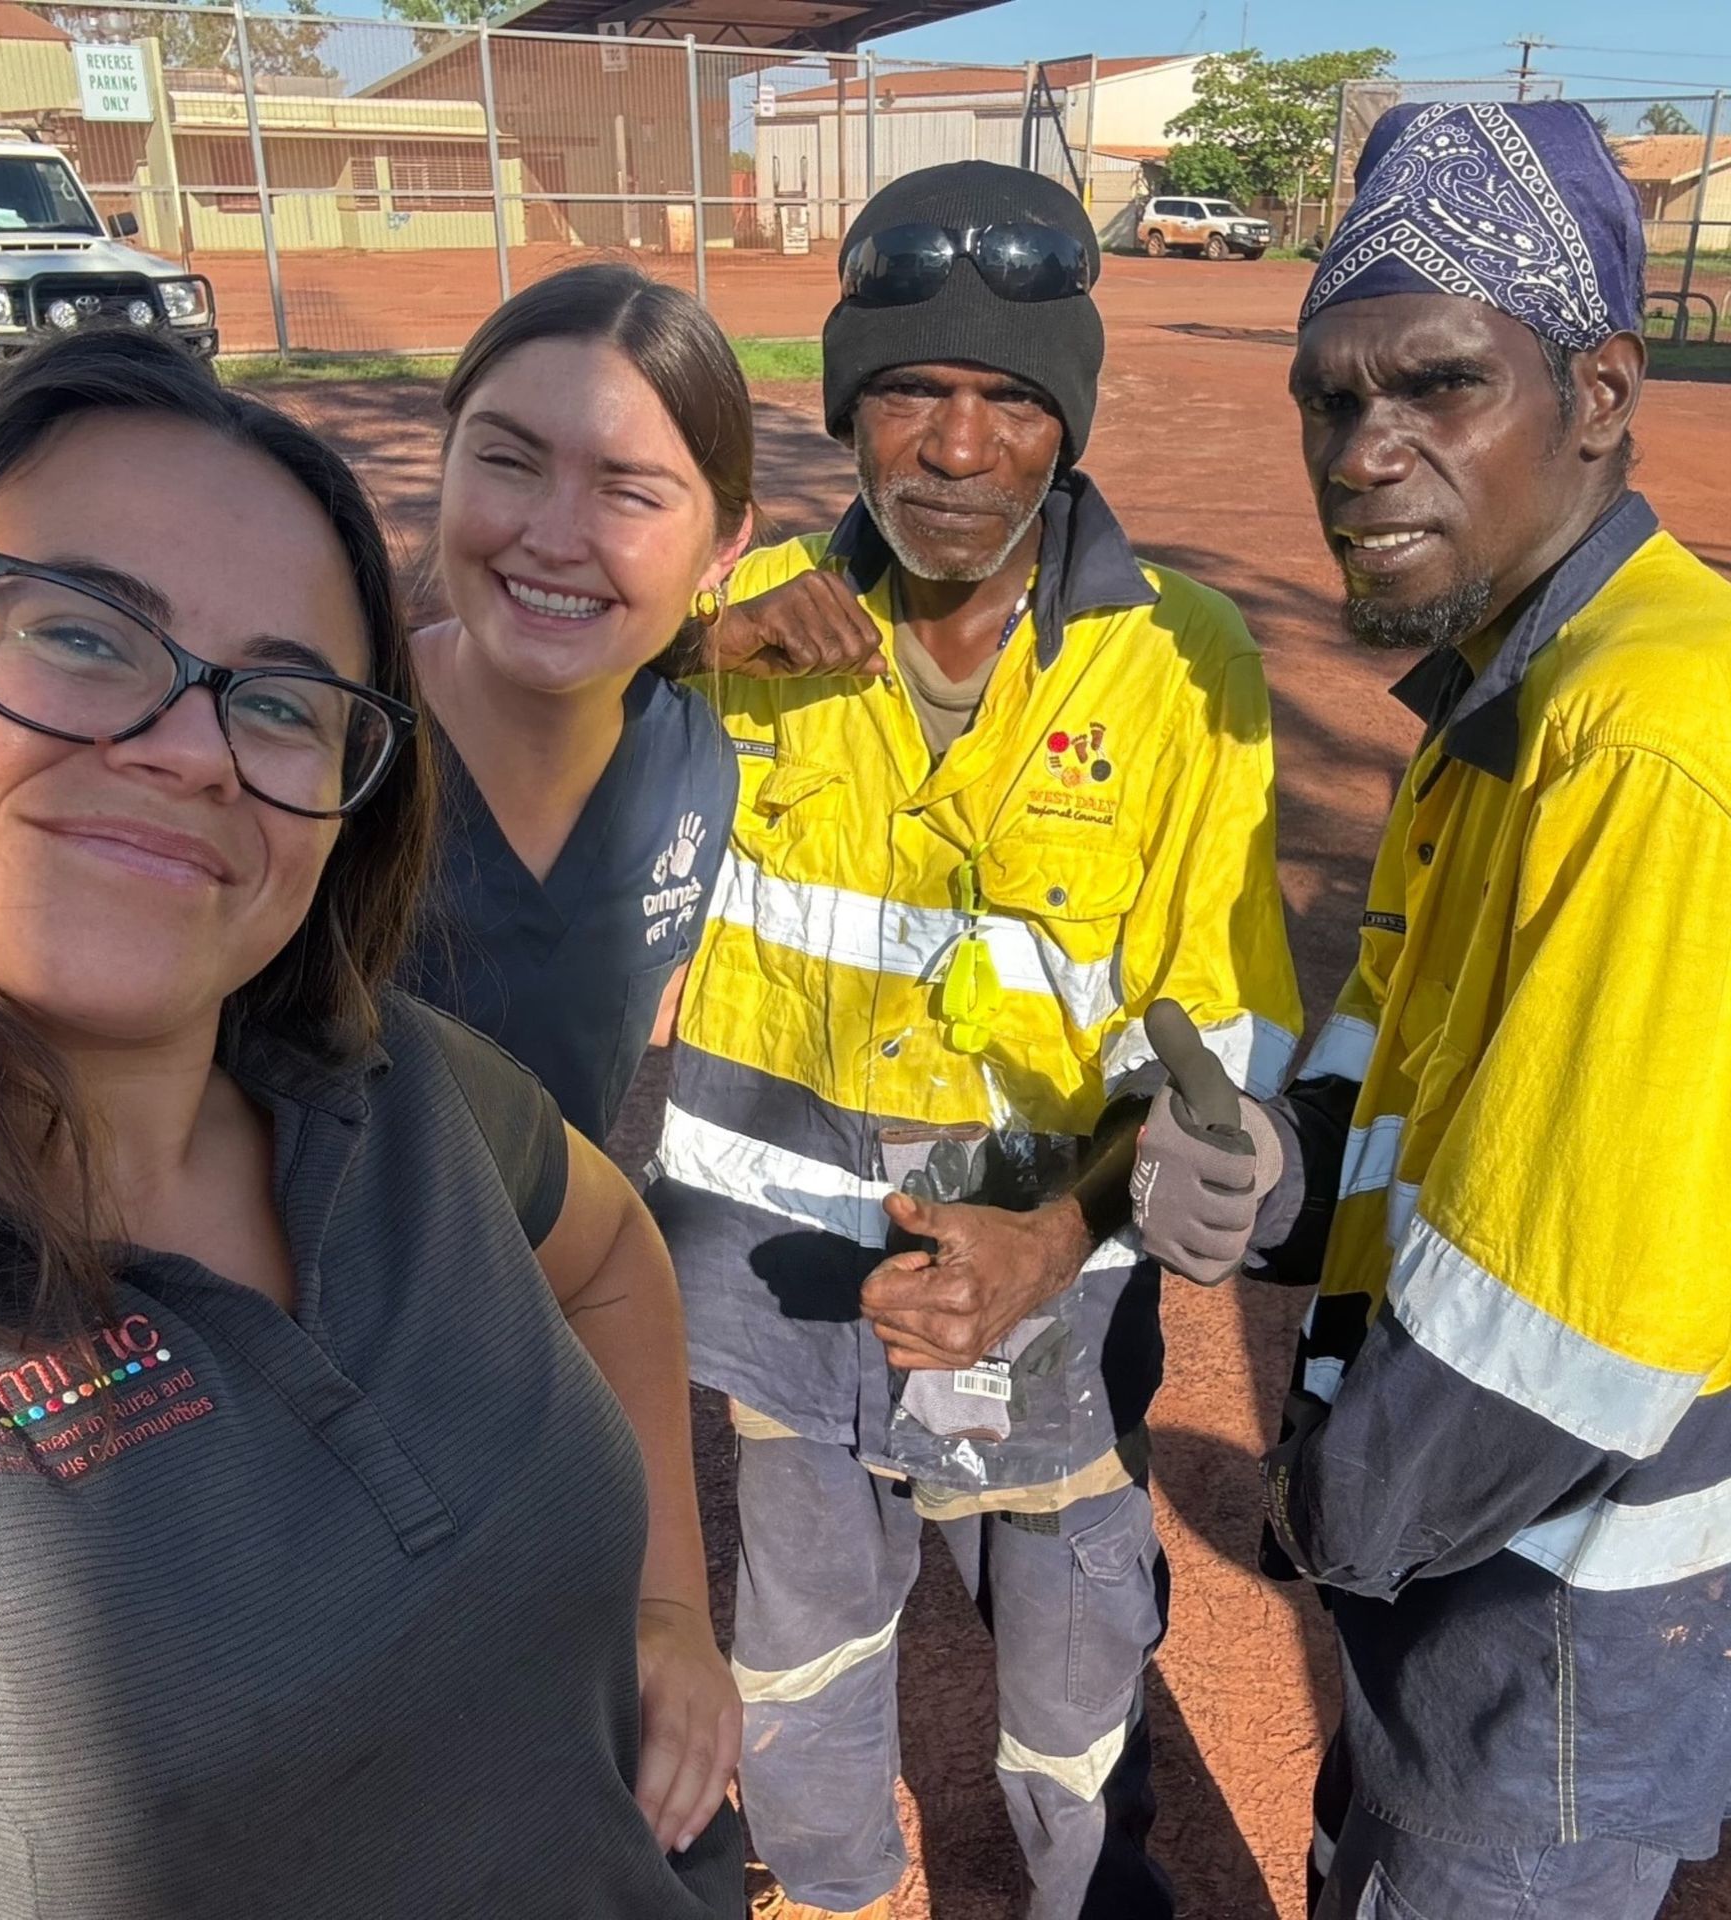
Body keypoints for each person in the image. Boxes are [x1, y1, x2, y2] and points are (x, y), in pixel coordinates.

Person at [0, 327, 743, 1920]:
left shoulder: (394, 1083)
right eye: (85, 633)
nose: (189, 749)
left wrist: (671, 1606)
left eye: (287, 702)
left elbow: (607, 1255)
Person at [648, 160, 1303, 1920]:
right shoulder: (738, 622)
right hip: (782, 1290)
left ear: (1069, 424)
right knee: (801, 1651)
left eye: (1012, 399)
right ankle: (838, 1891)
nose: (955, 446)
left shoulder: (1186, 668)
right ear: (848, 405)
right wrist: (673, 653)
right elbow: (491, 757)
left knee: (1076, 1665)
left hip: (1057, 1294)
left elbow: (1214, 1053)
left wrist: (1057, 1230)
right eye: (911, 392)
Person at [1129, 100, 1731, 1919]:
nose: (1367, 450)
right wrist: (1273, 1165)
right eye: (1331, 398)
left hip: (1546, 1630)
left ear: (1599, 394)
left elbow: (1558, 1325)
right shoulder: (1509, 691)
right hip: (1488, 1590)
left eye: (1440, 386)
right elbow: (1399, 1036)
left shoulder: (1646, 744)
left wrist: (1333, 1507)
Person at [406, 263, 778, 1146]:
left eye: (629, 492)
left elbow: (633, 1037)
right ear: (448, 459)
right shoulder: (324, 744)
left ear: (725, 546)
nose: (554, 538)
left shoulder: (691, 766)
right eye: (507, 460)